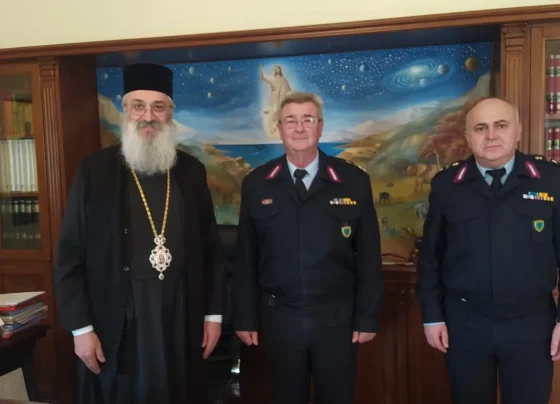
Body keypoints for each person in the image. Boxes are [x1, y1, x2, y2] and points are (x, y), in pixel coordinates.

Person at [54, 63, 225, 404]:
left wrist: (213, 315)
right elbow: (70, 255)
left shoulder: (191, 171)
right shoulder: (95, 171)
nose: (148, 116)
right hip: (117, 314)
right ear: (125, 111)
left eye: (158, 107)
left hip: (180, 311)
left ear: (170, 113)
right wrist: (81, 329)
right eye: (138, 106)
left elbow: (211, 250)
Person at [232, 91, 384, 404]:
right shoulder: (257, 183)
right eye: (291, 121)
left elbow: (369, 256)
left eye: (308, 120)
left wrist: (368, 316)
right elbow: (246, 256)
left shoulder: (353, 180)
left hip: (337, 319)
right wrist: (245, 316)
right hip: (280, 319)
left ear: (320, 127)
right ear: (279, 128)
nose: (299, 128)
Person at [416, 96, 560, 404]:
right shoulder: (446, 185)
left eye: (501, 125)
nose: (491, 135)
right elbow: (430, 258)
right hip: (465, 323)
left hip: (531, 325)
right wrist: (432, 317)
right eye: (481, 128)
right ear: (468, 136)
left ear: (518, 131)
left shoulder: (551, 180)